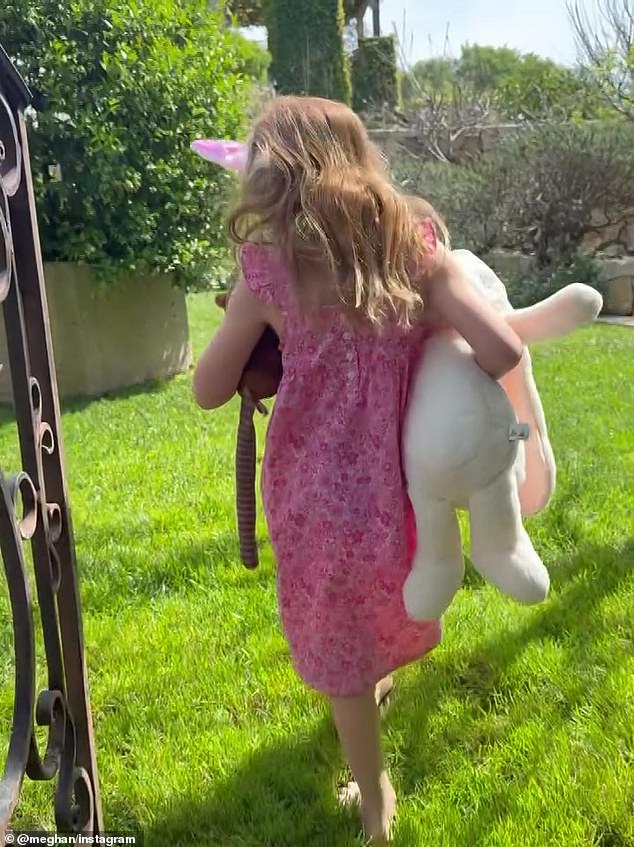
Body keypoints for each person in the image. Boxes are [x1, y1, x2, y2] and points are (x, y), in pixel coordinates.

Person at [193, 96, 523, 845]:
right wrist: (437, 305)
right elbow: (503, 352)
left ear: (273, 175)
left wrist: (251, 331)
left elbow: (209, 389)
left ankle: (375, 798)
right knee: (379, 596)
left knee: (337, 639)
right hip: (400, 479)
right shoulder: (416, 247)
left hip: (309, 491)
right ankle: (370, 707)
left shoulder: (267, 267)